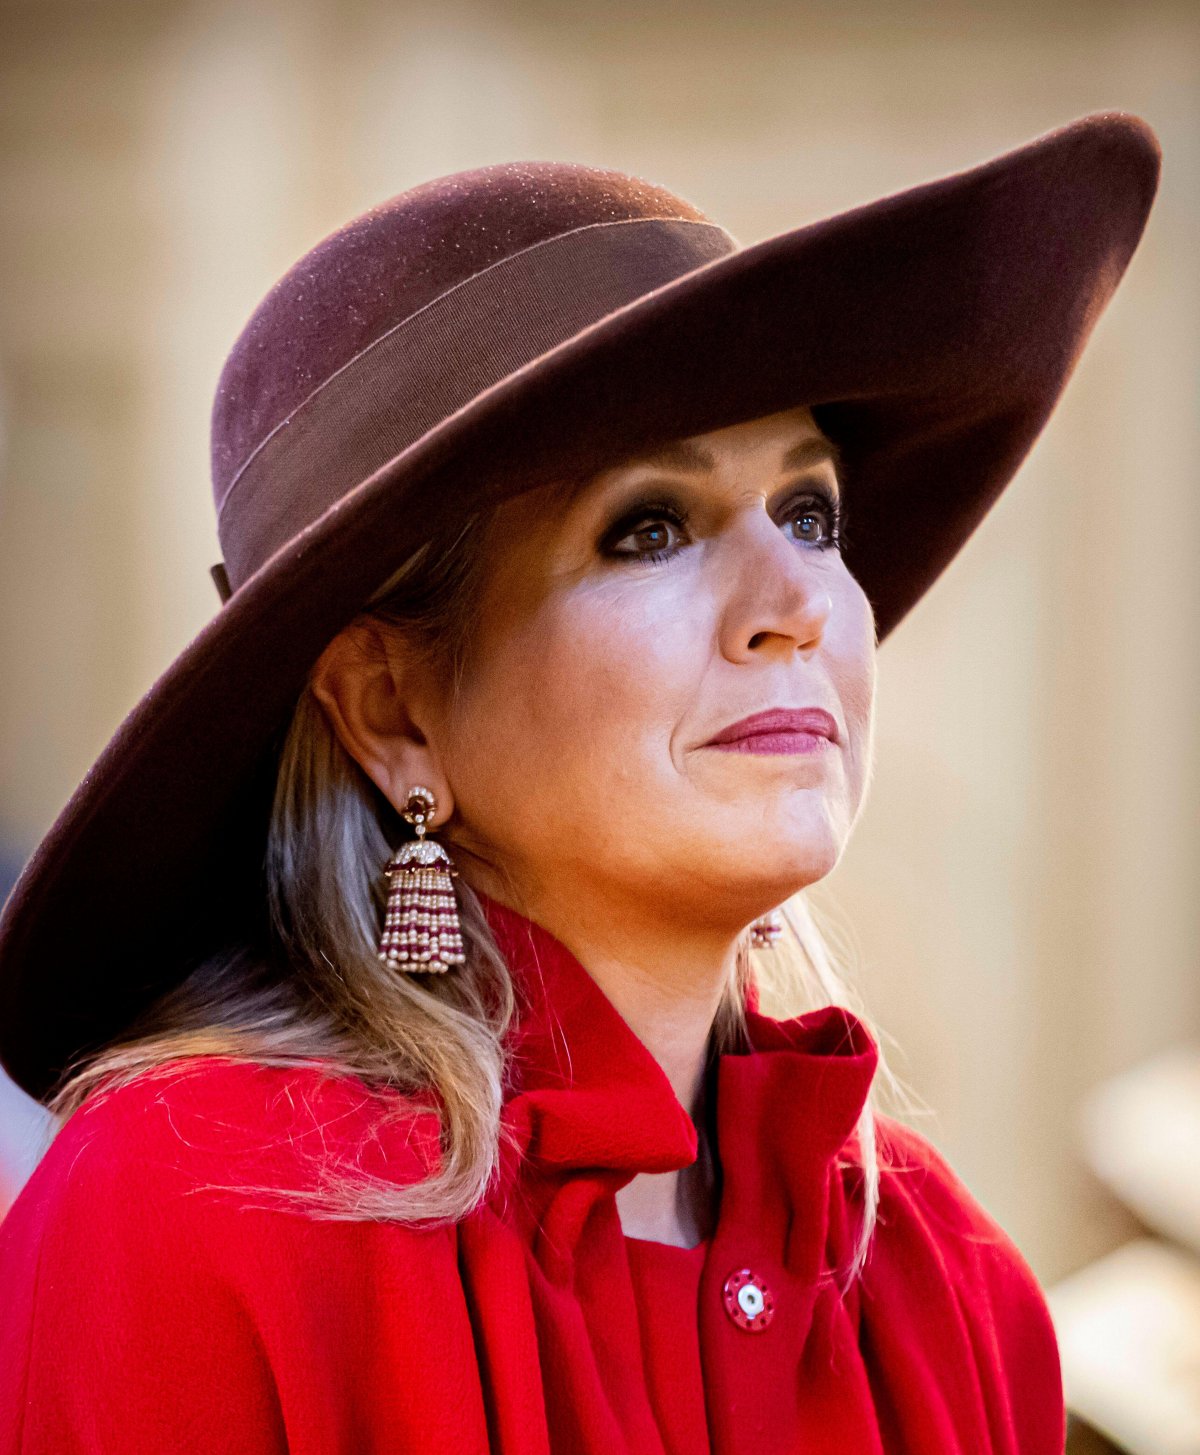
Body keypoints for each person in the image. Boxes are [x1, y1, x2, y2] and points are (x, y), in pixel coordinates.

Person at [0, 110, 1161, 1453]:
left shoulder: (948, 1287)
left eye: (811, 511)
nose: (799, 602)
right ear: (392, 709)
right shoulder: (190, 1208)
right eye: (649, 528)